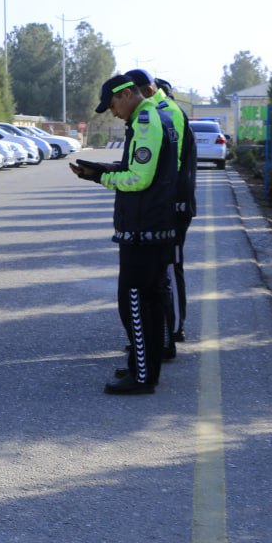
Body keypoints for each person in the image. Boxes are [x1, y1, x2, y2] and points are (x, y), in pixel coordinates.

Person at [70, 73, 179, 395]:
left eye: (113, 105)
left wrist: (102, 179)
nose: (114, 113)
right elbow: (142, 168)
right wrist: (100, 171)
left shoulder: (146, 120)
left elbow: (140, 178)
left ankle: (142, 375)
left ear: (127, 94)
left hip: (144, 230)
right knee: (151, 301)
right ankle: (144, 368)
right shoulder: (155, 117)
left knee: (135, 303)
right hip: (154, 227)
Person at [152, 75, 197, 346]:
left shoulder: (168, 113)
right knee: (163, 267)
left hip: (175, 205)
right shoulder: (167, 112)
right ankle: (163, 328)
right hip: (169, 203)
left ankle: (175, 327)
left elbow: (171, 163)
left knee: (171, 266)